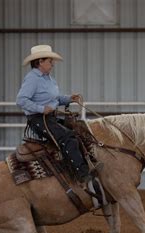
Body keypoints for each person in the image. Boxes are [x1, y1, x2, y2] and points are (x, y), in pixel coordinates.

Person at [16, 45, 93, 183]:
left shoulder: (48, 78)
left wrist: (69, 98)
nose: (52, 64)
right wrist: (41, 108)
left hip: (49, 118)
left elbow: (55, 99)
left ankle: (79, 165)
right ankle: (82, 174)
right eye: (50, 61)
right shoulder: (32, 78)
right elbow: (21, 100)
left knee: (79, 130)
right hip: (38, 119)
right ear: (40, 62)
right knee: (67, 138)